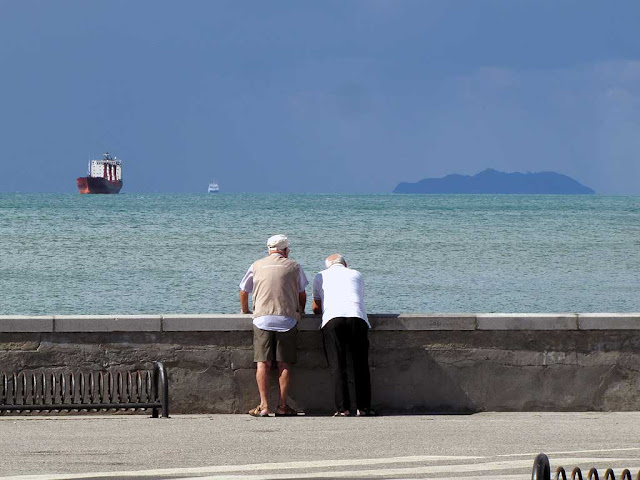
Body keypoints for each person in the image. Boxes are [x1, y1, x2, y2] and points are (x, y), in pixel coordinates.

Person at [239, 234, 308, 417]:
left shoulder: (256, 265)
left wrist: (245, 310)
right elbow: (302, 293)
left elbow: (244, 291)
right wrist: (300, 310)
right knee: (284, 363)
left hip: (262, 319)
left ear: (268, 250)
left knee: (263, 363)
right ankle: (283, 406)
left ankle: (263, 406)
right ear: (286, 251)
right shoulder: (294, 266)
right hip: (286, 319)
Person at [312, 254, 374, 417]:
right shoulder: (357, 274)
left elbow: (316, 307)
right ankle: (364, 408)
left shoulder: (320, 276)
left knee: (337, 365)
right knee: (360, 365)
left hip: (333, 320)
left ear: (328, 266)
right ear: (345, 264)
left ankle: (343, 409)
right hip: (357, 318)